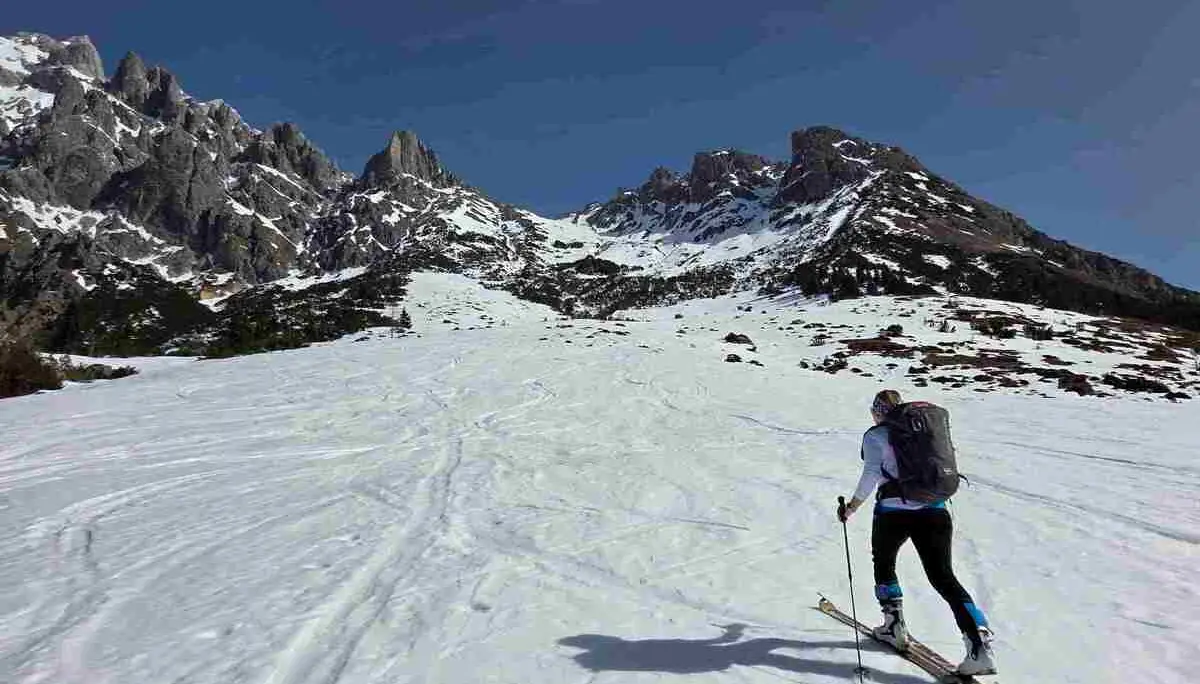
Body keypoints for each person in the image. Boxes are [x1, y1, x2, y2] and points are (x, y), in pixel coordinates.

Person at [838, 389, 996, 676]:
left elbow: (871, 473)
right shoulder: (924, 434)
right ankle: (979, 644)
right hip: (935, 510)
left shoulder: (875, 436)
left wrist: (852, 506)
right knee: (943, 577)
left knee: (884, 563)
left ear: (878, 411)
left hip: (892, 512)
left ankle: (894, 625)